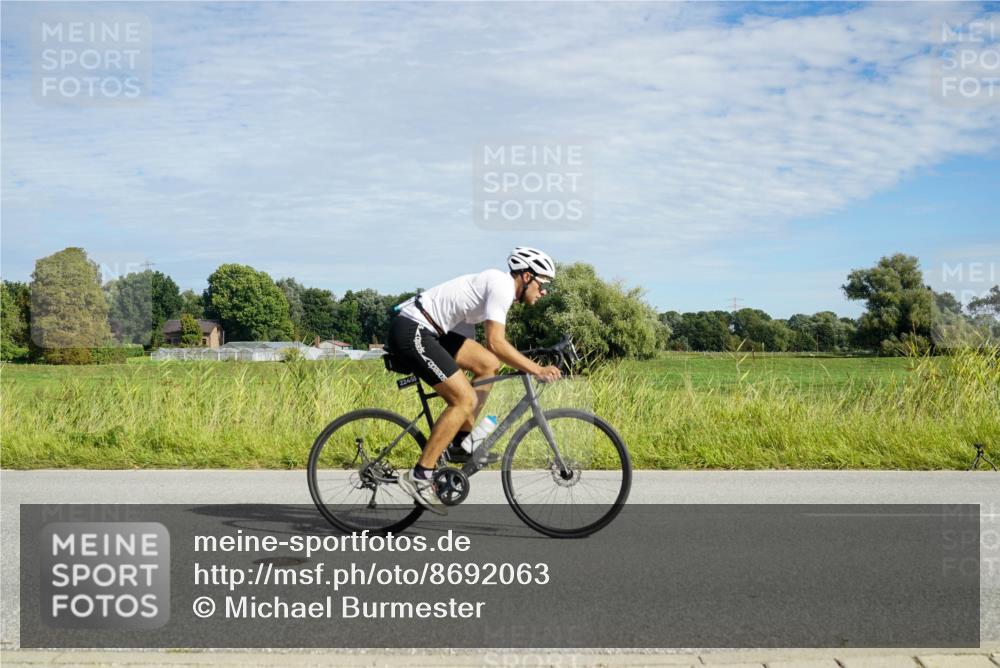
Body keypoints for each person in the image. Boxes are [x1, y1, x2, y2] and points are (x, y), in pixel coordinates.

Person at [387, 247, 562, 514]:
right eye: (543, 283)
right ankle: (420, 475)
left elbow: (483, 350)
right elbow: (496, 342)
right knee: (464, 399)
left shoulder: (495, 290)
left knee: (488, 364)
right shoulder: (502, 286)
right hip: (413, 330)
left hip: (433, 331)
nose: (545, 291)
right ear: (527, 276)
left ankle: (461, 441)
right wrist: (536, 369)